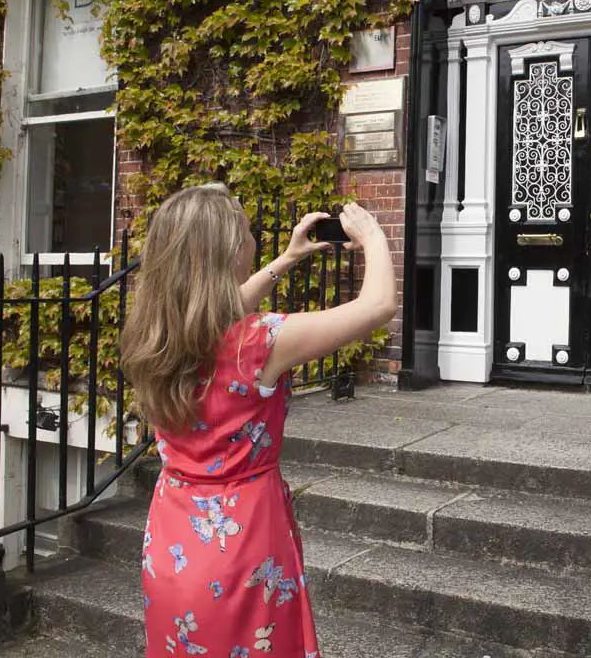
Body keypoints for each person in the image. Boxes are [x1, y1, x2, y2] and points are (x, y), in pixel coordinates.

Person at [121, 184, 396, 658]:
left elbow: (216, 311)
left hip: (174, 540)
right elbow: (377, 307)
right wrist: (373, 238)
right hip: (241, 541)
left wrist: (285, 261)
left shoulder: (157, 333)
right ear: (230, 251)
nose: (251, 239)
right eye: (247, 231)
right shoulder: (261, 342)